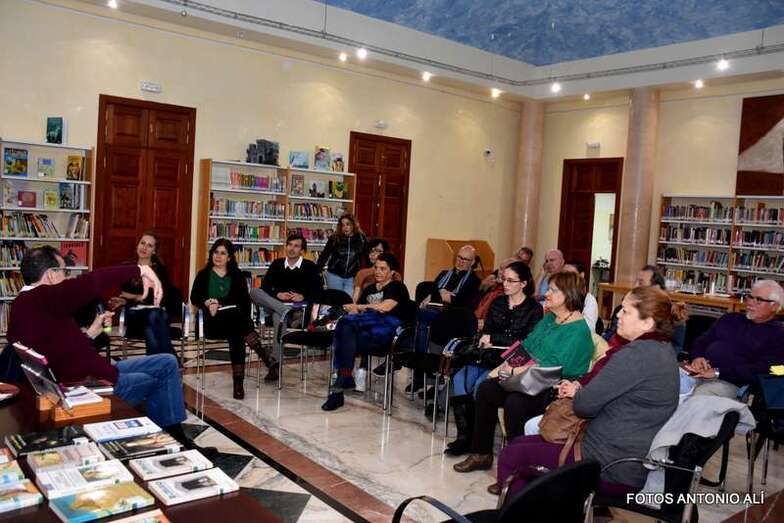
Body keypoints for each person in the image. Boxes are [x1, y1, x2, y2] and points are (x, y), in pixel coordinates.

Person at [493, 286, 680, 496]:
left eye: (626, 311)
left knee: (511, 456)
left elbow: (584, 405)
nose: (617, 314)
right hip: (620, 454)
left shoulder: (636, 355)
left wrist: (578, 392)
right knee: (518, 444)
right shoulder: (663, 350)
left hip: (608, 463)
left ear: (647, 323)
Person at [7, 246, 196, 447]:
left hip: (94, 373)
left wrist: (91, 333)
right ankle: (169, 442)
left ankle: (175, 437)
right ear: (51, 275)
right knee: (155, 379)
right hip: (92, 385)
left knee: (166, 362)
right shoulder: (41, 297)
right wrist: (141, 269)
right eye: (64, 271)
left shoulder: (28, 304)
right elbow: (92, 282)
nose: (67, 277)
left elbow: (58, 349)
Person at [453, 271, 593, 473]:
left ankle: (517, 466)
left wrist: (515, 369)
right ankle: (481, 453)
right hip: (528, 378)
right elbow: (526, 345)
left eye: (553, 290)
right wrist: (505, 366)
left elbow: (553, 365)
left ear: (568, 295)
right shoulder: (551, 318)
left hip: (553, 387)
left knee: (515, 402)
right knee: (486, 389)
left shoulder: (578, 330)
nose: (547, 294)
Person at [444, 261, 543, 456]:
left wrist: (495, 338)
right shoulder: (497, 302)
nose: (505, 284)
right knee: (459, 379)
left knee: (482, 387)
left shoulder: (534, 308)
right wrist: (485, 339)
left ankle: (476, 442)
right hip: (487, 355)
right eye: (503, 279)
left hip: (511, 361)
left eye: (510, 280)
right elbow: (486, 331)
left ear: (523, 283)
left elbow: (526, 342)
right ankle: (464, 436)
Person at [191, 239, 278, 400]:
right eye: (215, 252)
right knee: (239, 323)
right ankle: (266, 358)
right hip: (211, 323)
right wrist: (208, 301)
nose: (218, 256)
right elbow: (194, 297)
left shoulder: (237, 275)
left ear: (230, 257)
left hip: (232, 323)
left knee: (237, 331)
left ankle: (239, 384)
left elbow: (244, 302)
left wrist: (219, 302)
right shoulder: (203, 275)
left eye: (223, 253)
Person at [321, 253, 410, 411]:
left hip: (386, 332)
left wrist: (358, 307)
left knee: (347, 330)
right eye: (376, 267)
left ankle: (343, 379)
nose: (378, 271)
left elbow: (385, 308)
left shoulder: (398, 287)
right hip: (365, 331)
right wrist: (349, 309)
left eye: (383, 269)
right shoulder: (369, 289)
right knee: (346, 325)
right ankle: (341, 385)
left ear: (392, 272)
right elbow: (356, 311)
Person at [684, 279, 784, 399]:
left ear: (775, 306)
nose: (750, 303)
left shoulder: (778, 334)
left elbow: (765, 370)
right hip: (698, 372)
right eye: (750, 297)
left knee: (700, 397)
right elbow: (701, 341)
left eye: (759, 300)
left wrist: (718, 372)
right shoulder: (730, 318)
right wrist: (697, 357)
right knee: (666, 384)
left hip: (731, 383)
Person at [408, 245, 482, 390]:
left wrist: (441, 295)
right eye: (459, 257)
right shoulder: (444, 274)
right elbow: (432, 292)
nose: (461, 261)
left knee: (419, 317)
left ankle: (419, 373)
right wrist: (440, 295)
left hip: (451, 318)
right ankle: (420, 373)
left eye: (466, 259)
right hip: (433, 312)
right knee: (420, 321)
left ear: (473, 262)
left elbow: (462, 302)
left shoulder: (473, 280)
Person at [249, 233, 323, 361]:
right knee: (254, 291)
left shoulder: (310, 267)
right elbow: (265, 286)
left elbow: (318, 290)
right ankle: (283, 309)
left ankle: (275, 362)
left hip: (297, 313)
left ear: (302, 250)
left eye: (296, 246)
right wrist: (277, 294)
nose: (291, 249)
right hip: (275, 305)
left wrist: (303, 296)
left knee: (279, 317)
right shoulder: (277, 264)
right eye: (289, 245)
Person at [108, 232, 174, 356]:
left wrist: (134, 296)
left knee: (151, 325)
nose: (144, 247)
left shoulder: (160, 270)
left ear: (154, 251)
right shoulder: (127, 267)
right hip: (134, 314)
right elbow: (121, 294)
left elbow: (161, 297)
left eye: (149, 246)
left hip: (155, 311)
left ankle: (156, 364)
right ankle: (172, 361)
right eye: (142, 243)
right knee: (154, 318)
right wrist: (135, 298)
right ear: (137, 245)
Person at [602, 264, 666, 341]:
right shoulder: (621, 310)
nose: (635, 286)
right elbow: (610, 335)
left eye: (641, 283)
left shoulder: (669, 319)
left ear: (656, 288)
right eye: (635, 282)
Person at [317, 214, 367, 297]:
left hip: (352, 277)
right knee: (336, 301)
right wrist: (318, 270)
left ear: (353, 225)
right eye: (342, 225)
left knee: (348, 300)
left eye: (348, 224)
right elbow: (324, 255)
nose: (345, 227)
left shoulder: (361, 239)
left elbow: (366, 256)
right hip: (334, 275)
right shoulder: (335, 238)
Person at [352, 238, 401, 303]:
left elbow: (397, 297)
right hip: (365, 307)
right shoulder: (362, 273)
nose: (373, 254)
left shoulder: (394, 274)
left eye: (378, 251)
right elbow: (356, 297)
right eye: (371, 251)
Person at [563, 262, 598, 331]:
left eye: (570, 274)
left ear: (581, 275)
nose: (565, 278)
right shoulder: (558, 295)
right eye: (563, 274)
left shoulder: (589, 300)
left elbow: (588, 329)